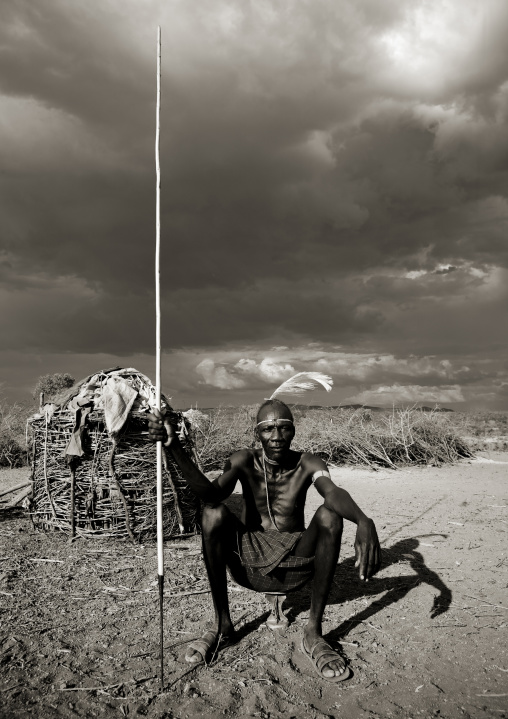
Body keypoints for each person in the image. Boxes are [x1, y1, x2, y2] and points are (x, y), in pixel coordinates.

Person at [148, 398, 381, 683]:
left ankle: (314, 632)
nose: (277, 436)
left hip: (297, 556)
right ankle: (223, 625)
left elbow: (331, 493)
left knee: (329, 516)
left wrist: (362, 519)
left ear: (294, 431)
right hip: (249, 555)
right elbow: (210, 495)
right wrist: (174, 449)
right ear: (257, 433)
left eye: (284, 428)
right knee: (212, 513)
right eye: (268, 429)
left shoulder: (309, 463)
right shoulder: (242, 460)